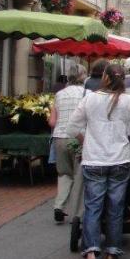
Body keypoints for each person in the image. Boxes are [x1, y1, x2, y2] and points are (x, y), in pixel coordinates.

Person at [67, 63, 130, 259]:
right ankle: (112, 250)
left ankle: (91, 251)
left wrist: (85, 141)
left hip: (94, 159)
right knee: (115, 207)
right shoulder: (129, 101)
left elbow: (72, 127)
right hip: (119, 160)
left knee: (93, 206)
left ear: (105, 77)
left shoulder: (90, 98)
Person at [48, 64, 87, 223]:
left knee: (64, 173)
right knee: (79, 176)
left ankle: (59, 205)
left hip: (59, 137)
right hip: (78, 137)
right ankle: (77, 213)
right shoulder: (87, 93)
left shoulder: (59, 94)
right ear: (83, 76)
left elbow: (52, 121)